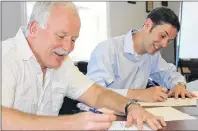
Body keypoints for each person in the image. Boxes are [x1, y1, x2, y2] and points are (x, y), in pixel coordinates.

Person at [2, 2, 166, 130]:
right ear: (34, 29)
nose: (68, 48)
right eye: (61, 36)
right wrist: (70, 124)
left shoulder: (62, 63)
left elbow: (96, 94)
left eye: (73, 39)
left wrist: (131, 106)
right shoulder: (6, 57)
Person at [87, 7, 197, 102]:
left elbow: (168, 74)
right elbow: (93, 93)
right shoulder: (107, 49)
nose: (164, 44)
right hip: (101, 118)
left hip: (133, 115)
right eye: (163, 36)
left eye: (169, 41)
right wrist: (139, 94)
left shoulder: (152, 54)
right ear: (148, 24)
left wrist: (179, 85)